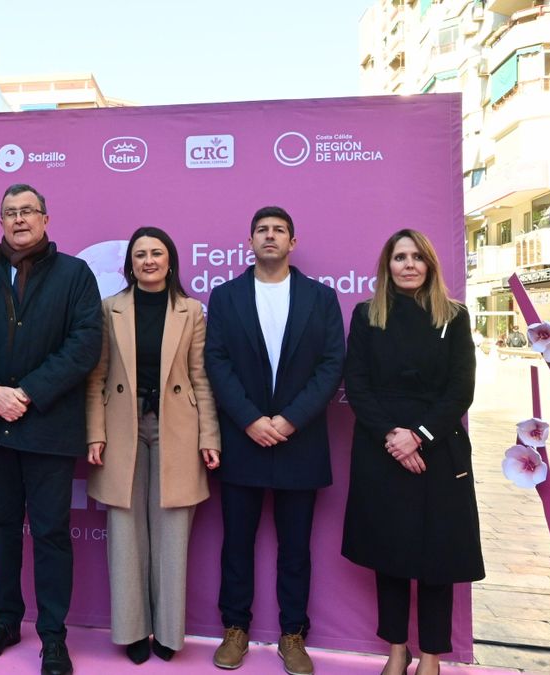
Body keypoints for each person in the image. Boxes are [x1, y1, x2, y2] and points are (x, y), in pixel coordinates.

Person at [0, 184, 102, 675]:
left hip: (48, 426)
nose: (19, 219)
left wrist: (29, 392)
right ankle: (6, 621)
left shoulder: (75, 274)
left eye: (27, 211)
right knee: (2, 529)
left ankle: (53, 636)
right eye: (10, 212)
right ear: (1, 223)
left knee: (52, 532)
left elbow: (85, 344)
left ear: (45, 219)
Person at [204, 206, 345, 674]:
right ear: (250, 242)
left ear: (292, 242)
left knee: (296, 548)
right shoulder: (226, 297)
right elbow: (216, 363)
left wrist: (289, 420)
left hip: (299, 442)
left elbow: (331, 365)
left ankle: (293, 634)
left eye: (278, 230)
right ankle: (235, 629)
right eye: (262, 230)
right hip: (243, 438)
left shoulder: (320, 298)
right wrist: (249, 419)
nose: (270, 236)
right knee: (236, 544)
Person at [341, 229, 483, 675]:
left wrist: (418, 435)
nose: (408, 264)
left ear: (430, 265)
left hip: (438, 448)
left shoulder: (454, 316)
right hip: (381, 447)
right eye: (400, 257)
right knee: (391, 554)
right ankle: (397, 650)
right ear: (388, 265)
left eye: (417, 257)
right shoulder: (367, 315)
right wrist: (393, 437)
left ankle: (432, 656)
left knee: (438, 557)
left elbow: (461, 389)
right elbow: (356, 384)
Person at [85, 227, 221, 664]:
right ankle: (132, 632)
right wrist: (95, 433)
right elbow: (97, 377)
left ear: (170, 260)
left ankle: (167, 632)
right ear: (130, 264)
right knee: (125, 534)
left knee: (172, 535)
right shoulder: (110, 308)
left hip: (176, 428)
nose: (148, 261)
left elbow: (201, 377)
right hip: (121, 427)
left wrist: (209, 436)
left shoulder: (191, 310)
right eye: (140, 254)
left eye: (156, 253)